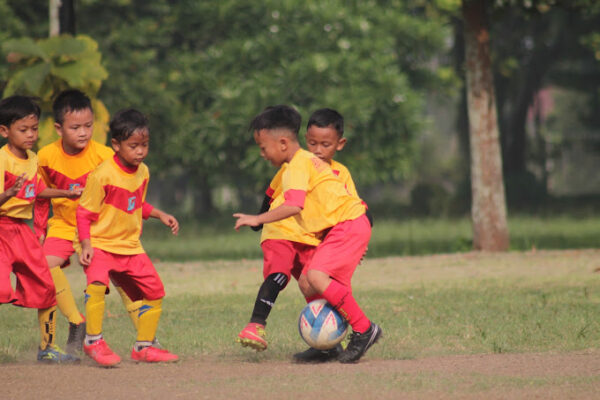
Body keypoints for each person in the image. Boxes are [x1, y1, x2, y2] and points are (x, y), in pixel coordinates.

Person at [234, 105, 382, 363]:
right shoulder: (301, 163)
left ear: (282, 143)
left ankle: (364, 329)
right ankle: (327, 346)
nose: (262, 154)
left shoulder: (297, 166)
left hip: (348, 223)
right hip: (344, 227)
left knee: (315, 275)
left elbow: (293, 205)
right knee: (306, 281)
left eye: (262, 147)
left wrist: (257, 218)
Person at [35, 89, 146, 354]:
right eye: (75, 127)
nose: (83, 132)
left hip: (99, 229)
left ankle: (147, 340)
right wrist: (39, 231)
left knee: (121, 279)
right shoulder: (45, 157)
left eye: (88, 126)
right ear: (59, 128)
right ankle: (72, 326)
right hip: (62, 224)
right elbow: (40, 196)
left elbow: (123, 193)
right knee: (42, 268)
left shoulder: (105, 156)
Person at [76, 108, 179, 367]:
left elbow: (135, 204)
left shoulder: (143, 171)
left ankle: (144, 347)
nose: (140, 151)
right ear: (116, 144)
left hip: (131, 247)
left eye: (144, 145)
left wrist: (160, 214)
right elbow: (84, 214)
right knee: (97, 286)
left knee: (155, 291)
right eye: (133, 146)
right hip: (100, 244)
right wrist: (86, 245)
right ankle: (93, 341)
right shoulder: (102, 175)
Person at [0, 95, 81, 363]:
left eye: (34, 129)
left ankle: (47, 349)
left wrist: (66, 194)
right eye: (23, 130)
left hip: (21, 232)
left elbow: (37, 190)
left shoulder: (33, 159)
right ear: (4, 131)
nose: (30, 135)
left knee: (45, 285)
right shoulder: (2, 160)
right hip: (1, 229)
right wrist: (8, 193)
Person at [236, 158, 321, 352]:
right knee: (279, 275)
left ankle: (326, 341)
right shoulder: (292, 166)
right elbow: (271, 193)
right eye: (313, 143)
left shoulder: (334, 173)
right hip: (280, 229)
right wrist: (258, 220)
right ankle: (255, 326)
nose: (318, 149)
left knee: (317, 282)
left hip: (309, 235)